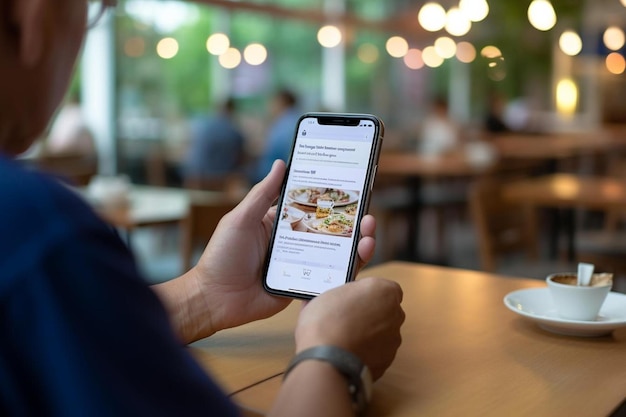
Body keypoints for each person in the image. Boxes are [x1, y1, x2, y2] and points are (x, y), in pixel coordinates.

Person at [0, 1, 405, 416]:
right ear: (32, 18)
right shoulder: (39, 231)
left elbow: (58, 338)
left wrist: (204, 294)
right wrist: (334, 357)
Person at [182, 97, 245, 189]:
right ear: (232, 111)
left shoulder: (203, 126)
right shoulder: (234, 132)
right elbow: (240, 157)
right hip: (222, 181)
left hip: (196, 178)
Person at [252, 89, 301, 183]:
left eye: (272, 103)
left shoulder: (283, 123)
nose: (269, 107)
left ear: (281, 102)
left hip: (272, 178)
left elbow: (272, 150)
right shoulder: (296, 118)